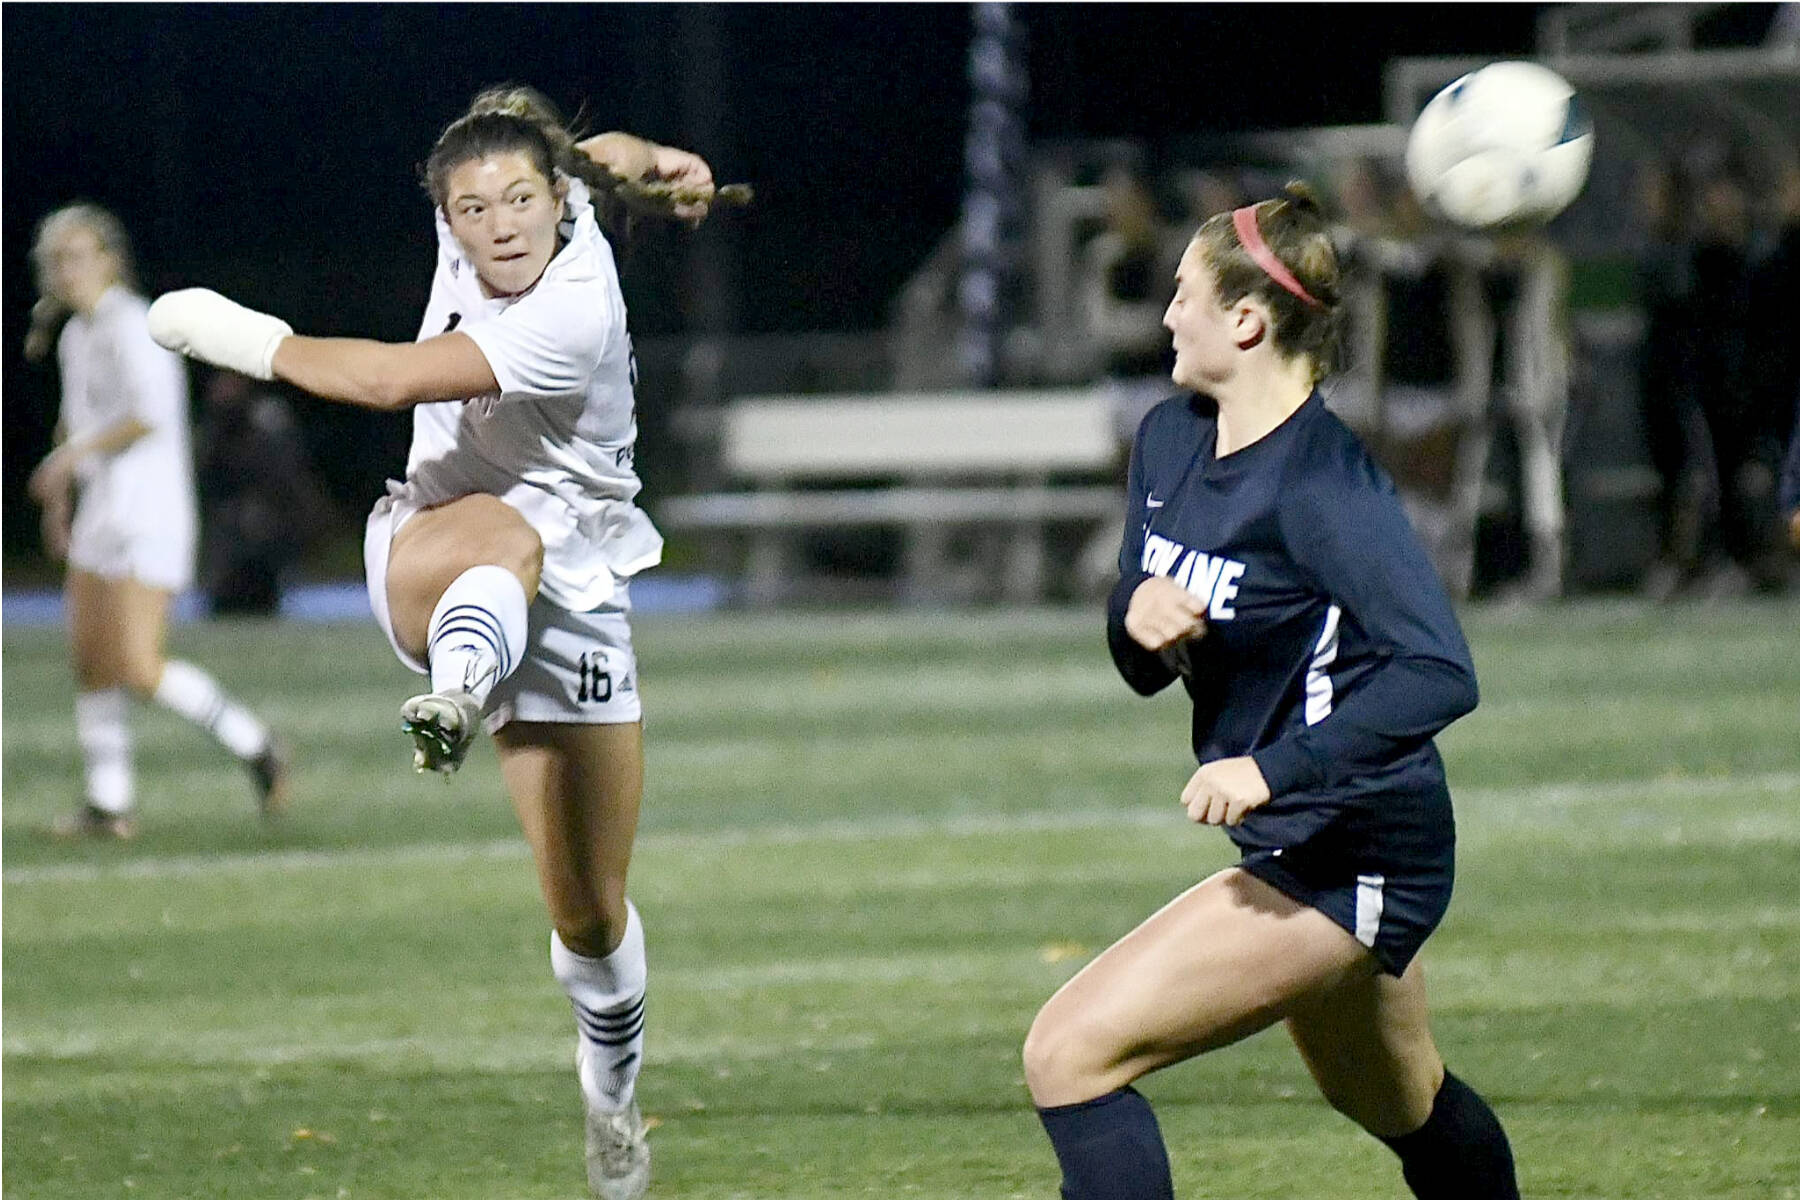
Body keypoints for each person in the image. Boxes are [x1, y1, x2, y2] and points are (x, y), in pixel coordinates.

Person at [144, 87, 718, 1200]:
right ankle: (454, 697)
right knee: (496, 537)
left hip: (582, 590)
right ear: (447, 219)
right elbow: (602, 150)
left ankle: (612, 1102)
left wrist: (234, 333)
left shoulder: (572, 307)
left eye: (519, 200)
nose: (499, 225)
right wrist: (661, 155)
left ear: (560, 206)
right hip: (432, 544)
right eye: (472, 208)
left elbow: (392, 379)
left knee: (590, 918)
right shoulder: (543, 202)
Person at [1022, 185, 1518, 1199]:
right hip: (1299, 833)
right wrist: (1134, 611)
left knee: (1069, 1053)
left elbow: (1439, 670)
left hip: (1357, 847)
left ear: (1245, 320)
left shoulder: (1327, 487)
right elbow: (1139, 659)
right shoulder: (1169, 442)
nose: (1165, 315)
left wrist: (1270, 768)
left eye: (1183, 295)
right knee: (1397, 1098)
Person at [23, 203, 290, 840]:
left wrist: (67, 464)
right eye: (59, 260)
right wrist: (63, 499)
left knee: (139, 666)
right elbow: (76, 422)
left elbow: (147, 414)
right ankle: (110, 804)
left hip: (149, 513)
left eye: (81, 255)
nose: (70, 270)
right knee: (90, 660)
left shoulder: (135, 323)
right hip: (102, 515)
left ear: (111, 261)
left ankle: (257, 745)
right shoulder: (76, 335)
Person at [195, 370, 334, 616]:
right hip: (233, 536)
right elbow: (209, 483)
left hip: (271, 531)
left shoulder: (268, 426)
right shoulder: (215, 434)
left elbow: (291, 483)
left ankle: (275, 580)